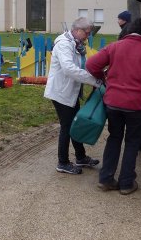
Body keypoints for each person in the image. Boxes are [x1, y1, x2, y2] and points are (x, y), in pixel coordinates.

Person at [86, 18, 141, 195]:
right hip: (136, 105)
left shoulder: (114, 47)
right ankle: (127, 183)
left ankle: (106, 179)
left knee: (114, 138)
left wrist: (105, 79)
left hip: (113, 103)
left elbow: (91, 65)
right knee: (132, 142)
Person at [44, 17, 103, 175]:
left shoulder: (76, 43)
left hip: (70, 91)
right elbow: (69, 69)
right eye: (87, 33)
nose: (88, 36)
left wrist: (97, 72)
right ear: (77, 30)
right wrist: (94, 81)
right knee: (67, 127)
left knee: (74, 124)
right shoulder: (64, 44)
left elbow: (82, 64)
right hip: (61, 92)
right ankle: (62, 162)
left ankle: (80, 157)